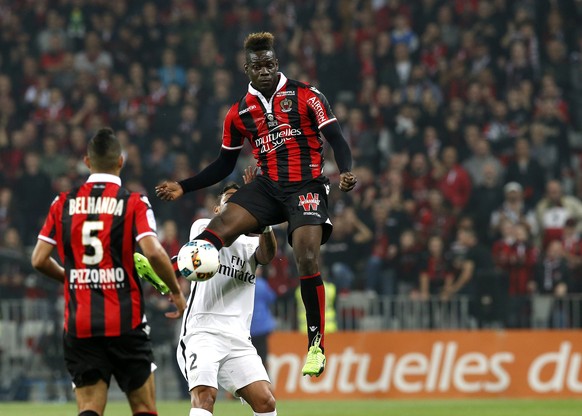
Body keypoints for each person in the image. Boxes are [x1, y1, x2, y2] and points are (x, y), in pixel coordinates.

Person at [156, 32, 357, 377]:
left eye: (269, 64)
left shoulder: (307, 95)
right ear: (245, 68)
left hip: (306, 185)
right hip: (266, 186)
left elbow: (336, 138)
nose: (264, 70)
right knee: (217, 226)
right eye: (256, 65)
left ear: (276, 64)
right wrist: (183, 186)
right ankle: (172, 268)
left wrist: (346, 171)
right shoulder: (238, 113)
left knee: (306, 255)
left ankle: (316, 344)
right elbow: (223, 165)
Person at [31, 128, 187, 416]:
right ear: (121, 162)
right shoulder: (134, 202)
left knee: (90, 407)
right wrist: (176, 291)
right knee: (143, 407)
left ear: (87, 163)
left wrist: (73, 278)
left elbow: (39, 260)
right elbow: (152, 250)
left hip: (81, 323)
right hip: (125, 321)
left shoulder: (62, 203)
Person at [177, 182, 278, 416]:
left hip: (238, 337)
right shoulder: (202, 227)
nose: (236, 206)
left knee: (266, 401)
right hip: (203, 333)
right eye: (230, 201)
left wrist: (264, 225)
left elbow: (267, 255)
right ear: (216, 209)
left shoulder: (253, 243)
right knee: (204, 397)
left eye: (241, 202)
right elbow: (225, 236)